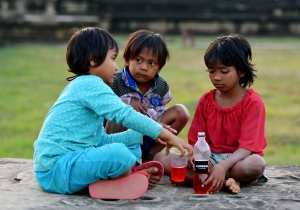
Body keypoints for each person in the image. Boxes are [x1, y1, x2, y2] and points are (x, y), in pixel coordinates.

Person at [33, 27, 194, 200]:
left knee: (129, 144)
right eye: (113, 58)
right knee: (119, 153)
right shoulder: (89, 84)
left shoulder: (86, 85)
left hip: (67, 167)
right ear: (94, 60)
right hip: (56, 169)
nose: (117, 66)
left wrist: (144, 133)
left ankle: (118, 178)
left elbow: (101, 140)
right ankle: (125, 175)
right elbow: (124, 114)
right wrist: (165, 134)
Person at [154, 33, 268, 194]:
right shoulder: (206, 101)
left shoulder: (252, 102)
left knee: (256, 164)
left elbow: (247, 147)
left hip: (238, 160)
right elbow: (196, 139)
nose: (216, 77)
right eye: (212, 71)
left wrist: (223, 166)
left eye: (224, 71)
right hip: (209, 158)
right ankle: (226, 182)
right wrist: (197, 159)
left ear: (241, 71)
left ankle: (214, 179)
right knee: (159, 159)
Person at [105, 29, 190, 162]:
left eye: (151, 63)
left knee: (182, 111)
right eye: (138, 60)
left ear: (159, 67)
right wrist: (125, 105)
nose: (144, 67)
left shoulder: (161, 86)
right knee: (122, 113)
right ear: (127, 60)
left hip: (150, 133)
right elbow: (105, 110)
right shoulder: (116, 81)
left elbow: (162, 108)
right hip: (119, 138)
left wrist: (155, 125)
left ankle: (151, 154)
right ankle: (121, 159)